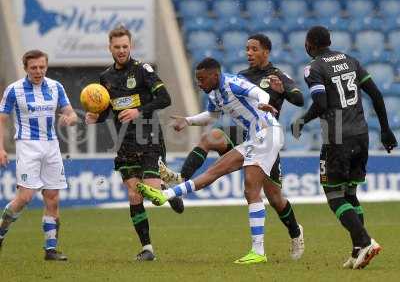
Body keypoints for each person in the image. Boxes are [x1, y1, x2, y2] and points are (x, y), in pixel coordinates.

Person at [160, 34, 305, 260]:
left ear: (266, 51)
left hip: (267, 134)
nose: (249, 53)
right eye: (247, 49)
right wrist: (188, 120)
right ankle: (179, 182)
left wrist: (284, 91)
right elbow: (215, 112)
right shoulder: (239, 77)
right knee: (211, 139)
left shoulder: (277, 76)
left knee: (275, 198)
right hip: (246, 133)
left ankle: (295, 232)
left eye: (254, 49)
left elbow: (299, 99)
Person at [138, 57, 284, 264]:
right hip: (257, 138)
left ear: (215, 75)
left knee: (226, 176)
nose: (199, 83)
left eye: (202, 79)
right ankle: (258, 252)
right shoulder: (214, 94)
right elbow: (210, 116)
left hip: (267, 133)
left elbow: (258, 92)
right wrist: (188, 121)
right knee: (242, 186)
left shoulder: (232, 83)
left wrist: (264, 104)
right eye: (197, 79)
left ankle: (166, 194)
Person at [291, 26, 398, 269]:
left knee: (333, 196)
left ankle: (365, 240)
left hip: (337, 136)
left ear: (309, 44)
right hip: (361, 134)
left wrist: (301, 120)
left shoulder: (314, 67)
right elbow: (377, 95)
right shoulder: (351, 61)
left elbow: (320, 103)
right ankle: (357, 250)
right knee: (350, 194)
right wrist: (385, 129)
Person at [85, 26, 183, 261]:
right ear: (110, 48)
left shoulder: (142, 70)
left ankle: (167, 192)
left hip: (148, 137)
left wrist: (138, 111)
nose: (121, 51)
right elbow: (108, 111)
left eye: (125, 47)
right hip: (124, 142)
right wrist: (95, 117)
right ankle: (147, 248)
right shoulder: (105, 77)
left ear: (131, 47)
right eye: (117, 47)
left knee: (152, 194)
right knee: (133, 194)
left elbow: (165, 98)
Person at [0, 49, 78, 260]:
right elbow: (2, 119)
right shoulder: (14, 90)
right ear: (26, 68)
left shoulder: (55, 87)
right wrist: (0, 148)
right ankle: (1, 232)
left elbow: (71, 113)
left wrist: (69, 119)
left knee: (52, 199)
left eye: (42, 67)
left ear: (46, 66)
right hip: (27, 146)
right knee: (24, 198)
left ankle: (50, 250)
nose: (38, 71)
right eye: (33, 67)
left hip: (51, 146)